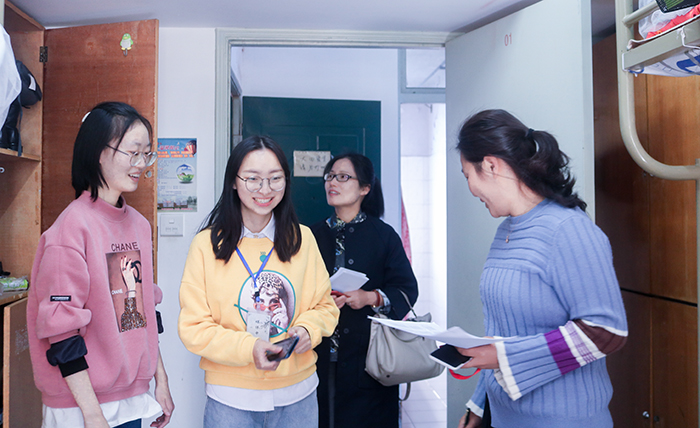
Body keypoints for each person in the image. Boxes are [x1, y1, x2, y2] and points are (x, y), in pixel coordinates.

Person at [453, 109, 628, 428]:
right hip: (505, 417)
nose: (470, 189)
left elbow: (606, 330)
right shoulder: (507, 230)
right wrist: (479, 404)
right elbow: (504, 334)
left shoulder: (568, 229)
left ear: (490, 165)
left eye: (467, 176)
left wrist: (502, 357)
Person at [27, 102, 174, 428]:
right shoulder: (70, 229)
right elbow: (61, 332)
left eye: (146, 154)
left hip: (132, 399)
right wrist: (92, 413)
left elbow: (144, 313)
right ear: (98, 151)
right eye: (133, 153)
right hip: (82, 406)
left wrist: (160, 380)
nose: (141, 164)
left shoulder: (139, 225)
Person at [178, 135, 339, 428]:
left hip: (297, 395)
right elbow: (194, 328)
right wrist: (248, 348)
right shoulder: (206, 245)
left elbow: (325, 307)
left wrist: (308, 330)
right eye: (253, 179)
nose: (265, 190)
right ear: (234, 181)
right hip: (231, 399)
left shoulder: (302, 239)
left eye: (275, 179)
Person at [310, 153, 418, 428]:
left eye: (343, 177)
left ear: (365, 188)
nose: (332, 182)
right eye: (330, 176)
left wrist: (371, 297)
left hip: (369, 360)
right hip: (318, 356)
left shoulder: (384, 235)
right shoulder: (310, 236)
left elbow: (407, 290)